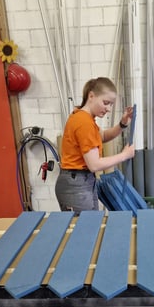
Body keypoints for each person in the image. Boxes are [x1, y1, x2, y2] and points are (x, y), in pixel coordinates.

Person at [55, 77, 135, 213]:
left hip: (83, 181)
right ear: (91, 96)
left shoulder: (85, 118)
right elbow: (94, 165)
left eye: (111, 105)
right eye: (106, 103)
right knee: (84, 225)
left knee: (92, 222)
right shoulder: (83, 122)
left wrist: (123, 124)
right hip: (76, 186)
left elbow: (102, 136)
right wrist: (124, 155)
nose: (109, 109)